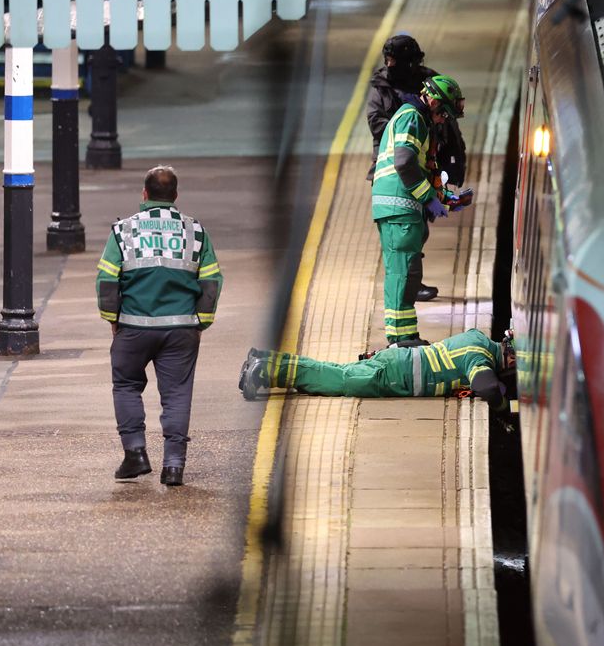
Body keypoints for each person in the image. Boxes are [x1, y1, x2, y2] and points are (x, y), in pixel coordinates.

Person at [96, 165, 223, 486]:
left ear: (144, 194)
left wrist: (113, 319)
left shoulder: (123, 231)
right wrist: (200, 323)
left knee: (126, 386)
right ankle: (174, 466)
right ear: (175, 196)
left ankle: (135, 454)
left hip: (133, 327)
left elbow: (107, 280)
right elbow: (211, 282)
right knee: (177, 394)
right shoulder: (196, 231)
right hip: (181, 328)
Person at [365, 34, 468, 303]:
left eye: (394, 60)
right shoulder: (405, 109)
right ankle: (410, 287)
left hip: (419, 167)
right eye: (387, 60)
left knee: (416, 232)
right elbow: (396, 150)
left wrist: (447, 191)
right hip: (398, 178)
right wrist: (410, 124)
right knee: (408, 238)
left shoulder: (430, 86)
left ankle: (410, 291)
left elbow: (448, 131)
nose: (389, 65)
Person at [372, 73, 468, 346]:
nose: (444, 120)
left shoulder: (419, 120)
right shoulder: (412, 118)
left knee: (408, 273)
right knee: (402, 272)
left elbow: (424, 169)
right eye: (444, 114)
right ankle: (400, 339)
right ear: (435, 102)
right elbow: (403, 163)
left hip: (402, 207)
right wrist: (428, 198)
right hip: (397, 206)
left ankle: (406, 335)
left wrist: (449, 198)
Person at [238, 328, 515, 407]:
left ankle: (267, 359)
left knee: (333, 370)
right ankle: (265, 371)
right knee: (338, 381)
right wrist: (502, 402)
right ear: (511, 359)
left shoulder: (477, 337)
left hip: (396, 361)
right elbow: (485, 387)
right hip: (394, 377)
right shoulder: (480, 359)